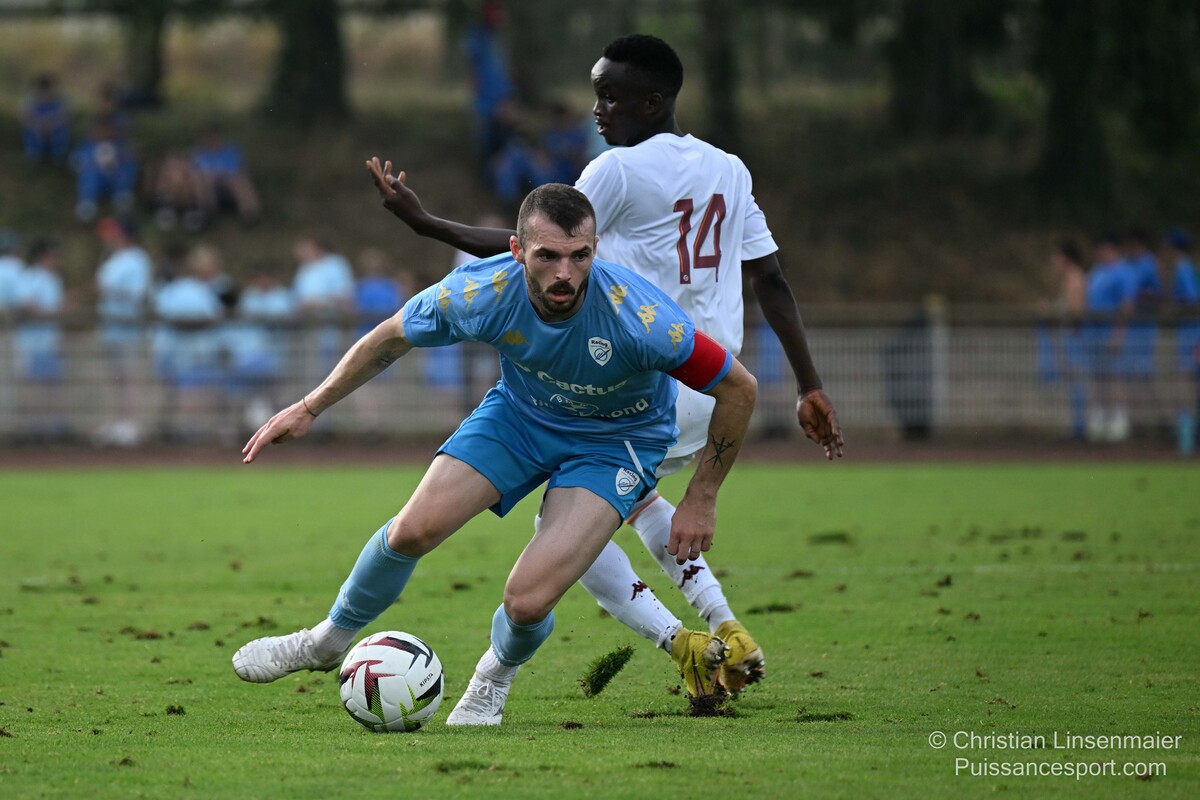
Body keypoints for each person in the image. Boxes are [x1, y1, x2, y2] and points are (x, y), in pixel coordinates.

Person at [365, 33, 842, 695]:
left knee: (563, 529)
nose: (598, 110)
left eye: (611, 96)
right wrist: (809, 385)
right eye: (597, 95)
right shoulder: (729, 169)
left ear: (653, 101)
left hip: (641, 377)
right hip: (714, 382)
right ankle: (726, 628)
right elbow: (771, 278)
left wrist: (429, 225)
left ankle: (682, 644)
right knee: (637, 503)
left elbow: (535, 245)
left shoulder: (616, 170)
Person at [232, 185, 758, 727]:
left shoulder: (641, 318)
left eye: (580, 256)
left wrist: (702, 496)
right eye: (547, 256)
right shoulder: (479, 291)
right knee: (412, 530)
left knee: (526, 602)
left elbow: (739, 388)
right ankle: (325, 642)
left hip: (616, 441)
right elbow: (388, 338)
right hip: (521, 416)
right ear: (516, 250)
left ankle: (492, 679)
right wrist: (310, 407)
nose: (565, 273)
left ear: (595, 249)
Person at [151, 244, 226, 440]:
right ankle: (181, 428)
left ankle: (187, 428)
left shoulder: (194, 289)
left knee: (189, 392)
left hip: (189, 351)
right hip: (184, 351)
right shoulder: (187, 289)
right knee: (185, 392)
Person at [93, 216, 153, 447]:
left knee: (129, 377)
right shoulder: (113, 259)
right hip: (110, 329)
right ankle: (119, 422)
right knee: (115, 378)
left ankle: (131, 424)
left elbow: (137, 294)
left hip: (128, 328)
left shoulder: (137, 259)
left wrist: (108, 289)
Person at [1083, 234, 1137, 443]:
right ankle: (1099, 418)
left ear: (1114, 249)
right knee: (1097, 377)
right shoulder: (1097, 271)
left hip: (1111, 332)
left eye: (1104, 249)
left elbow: (1127, 304)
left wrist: (1118, 333)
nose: (1100, 253)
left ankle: (1118, 419)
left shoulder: (1124, 272)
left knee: (1115, 376)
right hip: (1093, 333)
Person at [14, 237, 68, 440]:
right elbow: (27, 304)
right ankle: (33, 425)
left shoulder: (54, 279)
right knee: (34, 384)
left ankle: (56, 425)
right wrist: (50, 313)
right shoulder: (30, 276)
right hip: (32, 342)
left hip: (51, 341)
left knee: (54, 384)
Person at [1036, 242, 1088, 440]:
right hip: (1069, 336)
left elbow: (1075, 311)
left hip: (1074, 337)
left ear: (1065, 258)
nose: (1053, 261)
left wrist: (1049, 311)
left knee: (1076, 381)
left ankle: (1079, 427)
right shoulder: (1069, 279)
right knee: (1073, 382)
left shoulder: (1075, 278)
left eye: (1057, 257)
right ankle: (1076, 426)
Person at [1165, 228, 1200, 455]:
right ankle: (1187, 438)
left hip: (1191, 337)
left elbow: (1192, 300)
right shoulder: (1185, 267)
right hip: (1188, 336)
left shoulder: (1183, 268)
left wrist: (1173, 308)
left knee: (1186, 387)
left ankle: (1187, 440)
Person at [70, 115, 138, 223]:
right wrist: (89, 165)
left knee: (127, 169)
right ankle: (88, 202)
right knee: (89, 176)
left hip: (115, 176)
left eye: (108, 130)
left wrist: (121, 160)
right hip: (96, 178)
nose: (104, 133)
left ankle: (122, 196)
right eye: (100, 130)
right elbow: (75, 163)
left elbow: (131, 159)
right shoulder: (86, 146)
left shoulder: (122, 145)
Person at [190, 124, 261, 224]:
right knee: (200, 181)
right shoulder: (200, 154)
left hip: (230, 182)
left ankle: (250, 214)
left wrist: (220, 177)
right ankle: (207, 213)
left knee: (240, 181)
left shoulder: (231, 150)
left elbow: (237, 170)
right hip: (209, 184)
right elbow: (195, 170)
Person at [21, 73, 71, 167]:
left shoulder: (61, 100)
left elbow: (65, 117)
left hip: (55, 128)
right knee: (31, 134)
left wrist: (51, 126)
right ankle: (34, 156)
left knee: (60, 133)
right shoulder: (31, 101)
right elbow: (26, 118)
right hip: (36, 128)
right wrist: (38, 127)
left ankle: (58, 157)